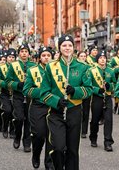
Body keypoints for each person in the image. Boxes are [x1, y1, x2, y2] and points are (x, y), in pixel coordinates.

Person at [40, 35, 92, 170]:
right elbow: (43, 92)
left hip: (74, 111)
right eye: (64, 45)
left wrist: (75, 90)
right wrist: (56, 101)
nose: (67, 48)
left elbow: (89, 89)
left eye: (70, 45)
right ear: (59, 48)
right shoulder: (51, 67)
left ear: (74, 48)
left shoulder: (82, 67)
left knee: (73, 150)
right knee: (57, 147)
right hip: (56, 113)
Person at [23, 47, 54, 169]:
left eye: (48, 55)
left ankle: (49, 162)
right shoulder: (33, 70)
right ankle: (36, 155)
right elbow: (26, 89)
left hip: (53, 106)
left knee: (51, 135)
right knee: (39, 135)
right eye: (44, 55)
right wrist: (43, 92)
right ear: (39, 57)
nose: (46, 57)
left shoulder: (57, 70)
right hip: (38, 106)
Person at [6, 43, 36, 152]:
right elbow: (7, 82)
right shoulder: (13, 65)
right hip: (18, 95)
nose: (24, 53)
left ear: (29, 53)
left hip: (29, 96)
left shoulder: (33, 65)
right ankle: (17, 136)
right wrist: (17, 85)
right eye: (22, 51)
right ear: (19, 53)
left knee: (28, 120)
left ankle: (27, 142)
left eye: (26, 51)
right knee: (19, 118)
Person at [88, 50, 116, 151]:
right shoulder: (92, 70)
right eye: (100, 58)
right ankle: (93, 137)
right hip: (97, 98)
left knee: (108, 120)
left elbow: (115, 84)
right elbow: (88, 85)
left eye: (104, 58)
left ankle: (108, 142)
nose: (103, 59)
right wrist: (96, 90)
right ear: (97, 60)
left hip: (107, 97)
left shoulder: (111, 71)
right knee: (95, 120)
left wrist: (110, 86)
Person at [0, 48, 16, 139]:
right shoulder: (1, 67)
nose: (11, 59)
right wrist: (6, 84)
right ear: (6, 58)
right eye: (9, 57)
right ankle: (4, 127)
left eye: (13, 57)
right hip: (5, 92)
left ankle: (12, 130)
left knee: (14, 112)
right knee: (7, 110)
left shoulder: (17, 67)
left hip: (15, 93)